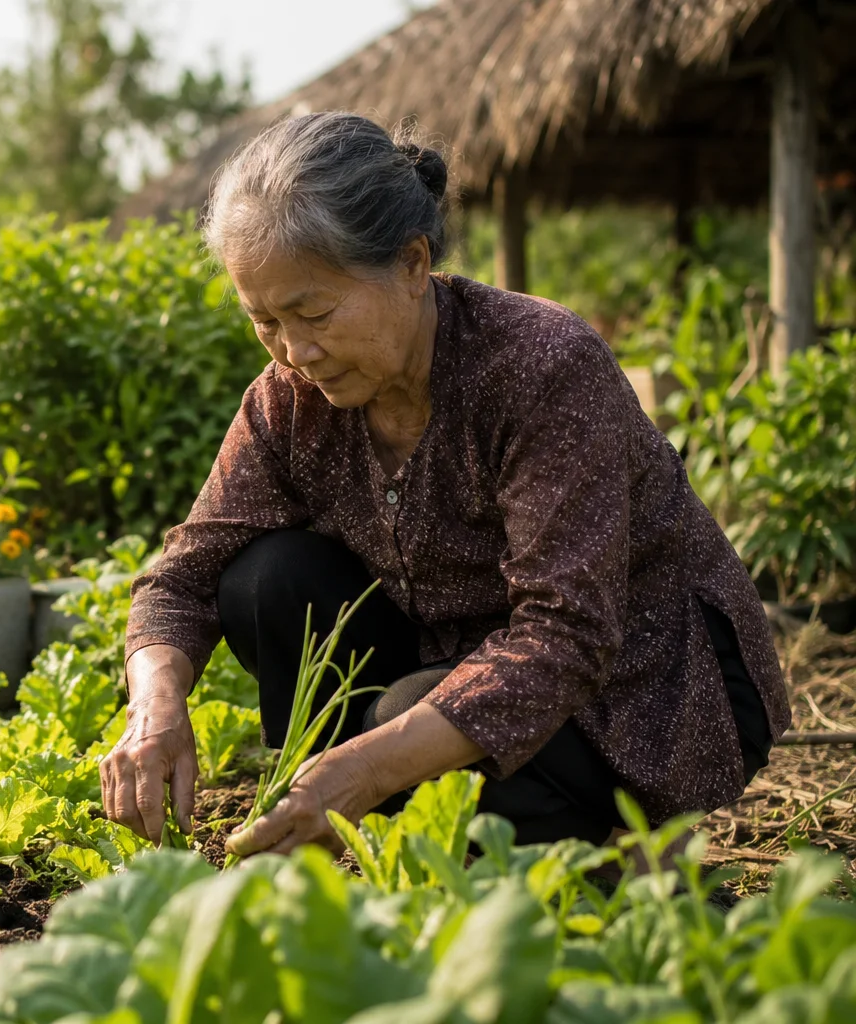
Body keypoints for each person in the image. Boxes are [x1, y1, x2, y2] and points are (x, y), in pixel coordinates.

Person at [99, 112, 789, 858]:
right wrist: (155, 712)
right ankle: (379, 810)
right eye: (264, 321)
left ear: (412, 264)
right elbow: (181, 582)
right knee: (268, 579)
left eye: (315, 313)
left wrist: (364, 766)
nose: (295, 351)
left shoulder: (539, 366)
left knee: (408, 717)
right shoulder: (288, 401)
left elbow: (567, 634)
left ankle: (595, 835)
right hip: (453, 661)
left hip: (646, 687)